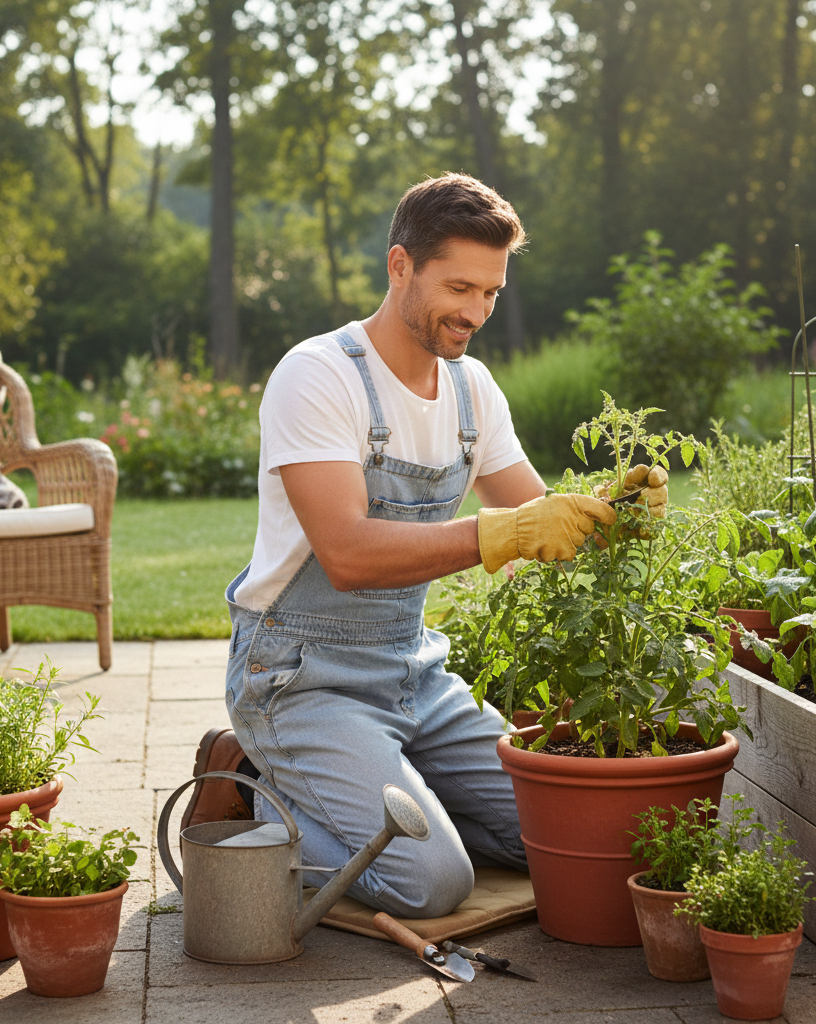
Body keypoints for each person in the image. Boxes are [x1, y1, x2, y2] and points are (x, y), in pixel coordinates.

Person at [183, 173, 632, 918]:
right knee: (430, 881)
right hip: (302, 678)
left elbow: (537, 512)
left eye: (491, 292)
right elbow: (348, 555)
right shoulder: (319, 376)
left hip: (412, 672)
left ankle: (384, 788)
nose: (477, 311)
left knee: (555, 834)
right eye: (460, 287)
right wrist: (502, 535)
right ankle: (252, 799)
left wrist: (619, 512)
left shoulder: (472, 390)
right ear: (400, 266)